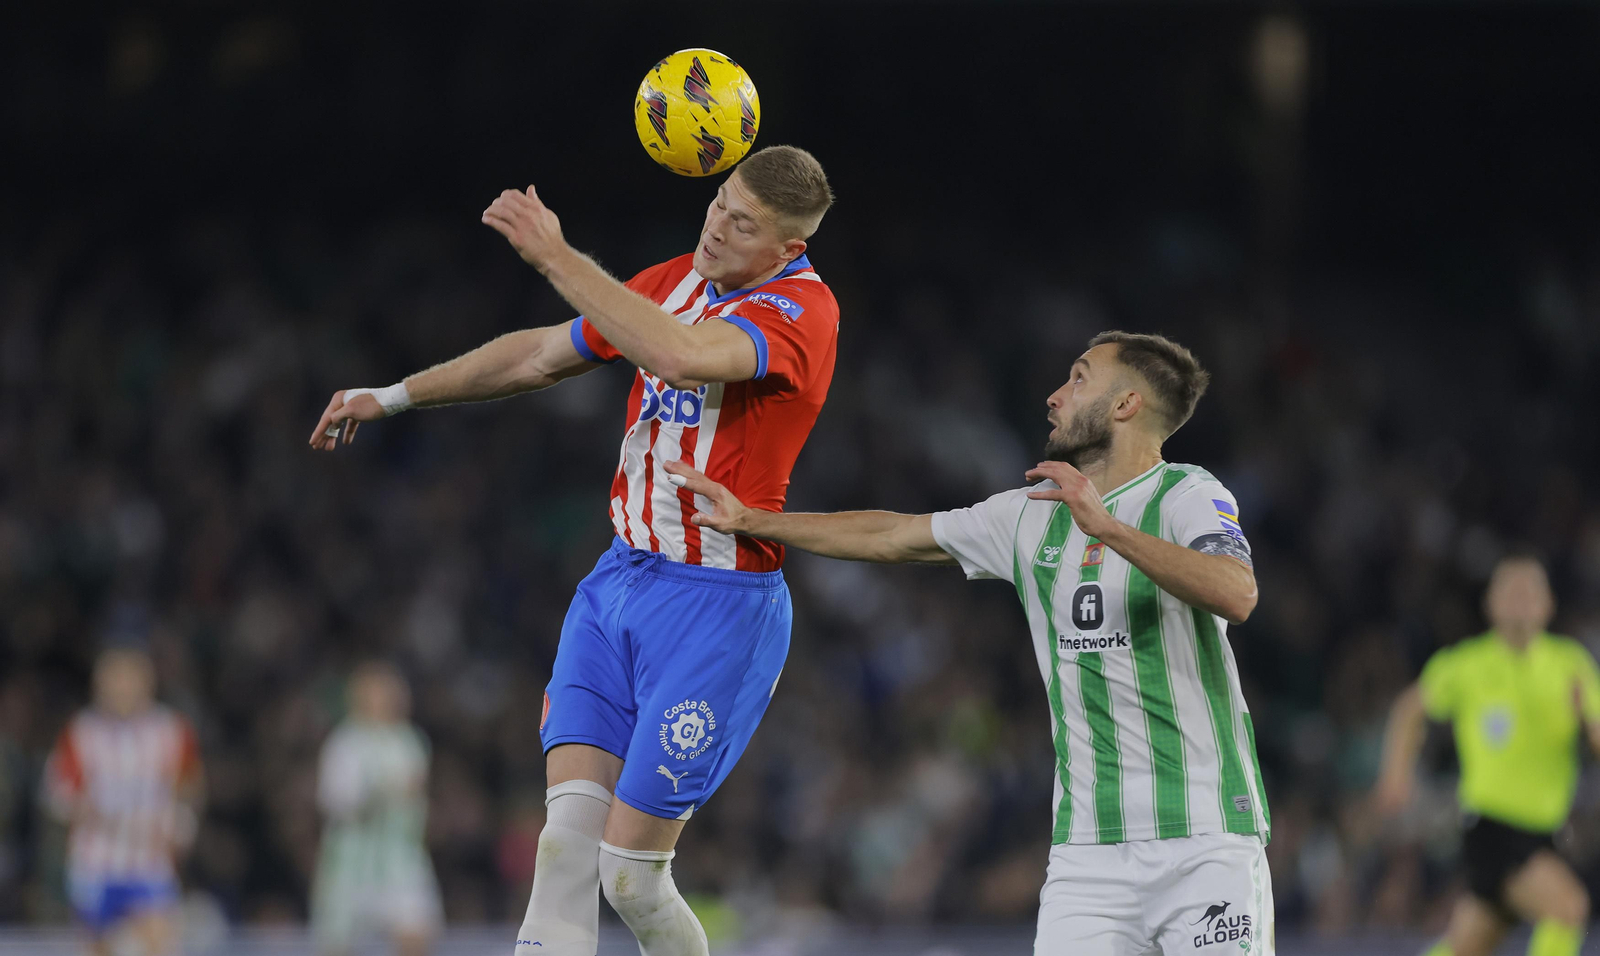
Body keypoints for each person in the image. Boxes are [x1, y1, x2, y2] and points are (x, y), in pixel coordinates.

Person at [307, 145, 838, 956]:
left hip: (717, 606)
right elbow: (538, 355)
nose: (716, 227)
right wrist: (395, 395)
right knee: (562, 847)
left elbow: (682, 356)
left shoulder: (802, 312)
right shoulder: (672, 283)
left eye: (743, 224)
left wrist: (556, 255)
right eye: (719, 203)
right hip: (618, 583)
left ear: (786, 248)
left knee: (629, 878)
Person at [667, 331, 1272, 955]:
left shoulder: (1188, 494)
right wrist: (753, 520)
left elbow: (1237, 592)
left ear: (1126, 405)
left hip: (1205, 836)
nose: (1055, 396)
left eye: (1079, 378)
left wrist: (1108, 529)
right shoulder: (1030, 514)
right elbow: (892, 535)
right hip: (1088, 854)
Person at [1374, 556, 1597, 956]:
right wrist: (1396, 774)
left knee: (1468, 946)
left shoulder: (1571, 665)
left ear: (1548, 604)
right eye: (1511, 593)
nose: (1520, 602)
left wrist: (1588, 722)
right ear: (1490, 604)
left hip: (1547, 831)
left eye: (1529, 593)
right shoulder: (1466, 664)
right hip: (1492, 827)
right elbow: (1409, 710)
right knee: (1567, 908)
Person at [41, 647, 204, 956]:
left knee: (160, 943)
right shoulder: (81, 732)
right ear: (99, 685)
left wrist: (183, 823)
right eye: (113, 680)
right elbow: (58, 795)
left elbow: (190, 784)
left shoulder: (170, 730)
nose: (122, 688)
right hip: (96, 863)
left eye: (129, 679)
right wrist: (92, 815)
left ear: (147, 683)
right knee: (98, 949)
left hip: (149, 862)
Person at [312, 662, 441, 956]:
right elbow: (337, 802)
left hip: (401, 858)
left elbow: (417, 798)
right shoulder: (345, 743)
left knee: (416, 935)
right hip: (351, 863)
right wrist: (385, 790)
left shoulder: (410, 741)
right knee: (337, 945)